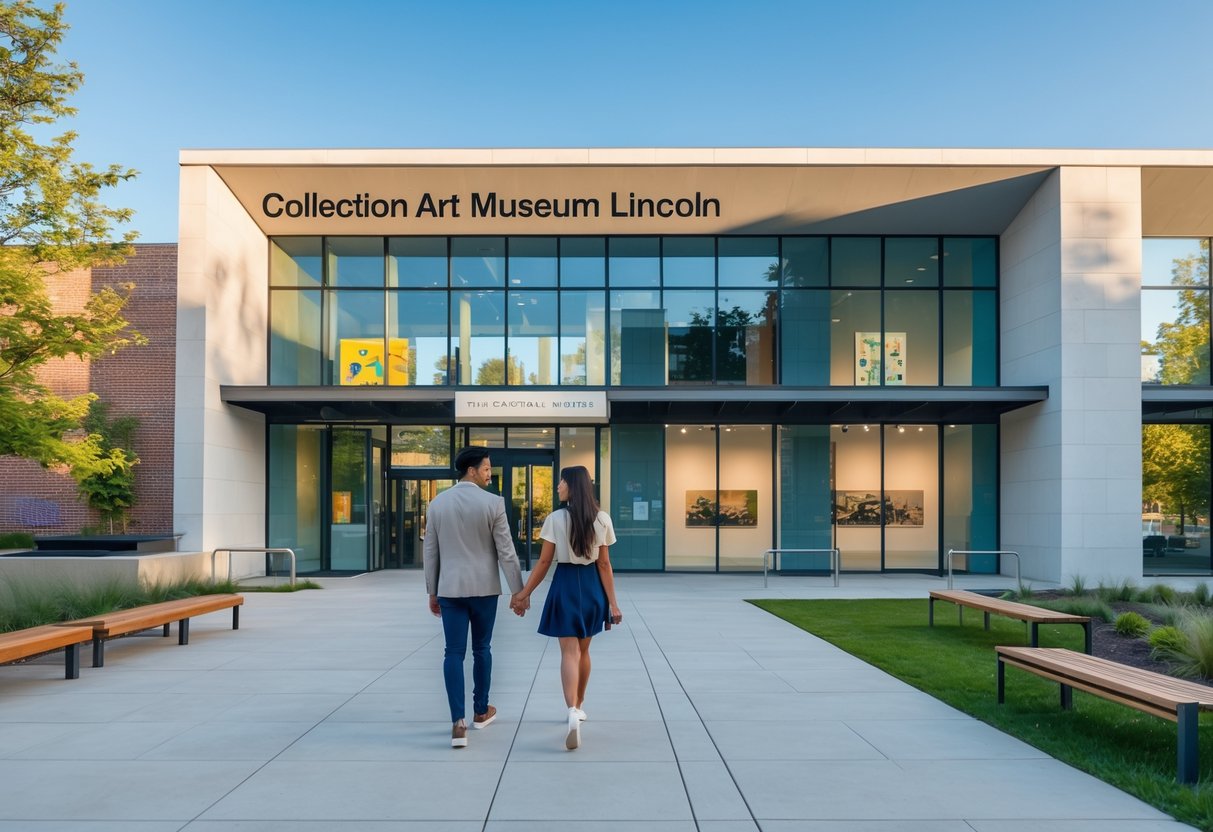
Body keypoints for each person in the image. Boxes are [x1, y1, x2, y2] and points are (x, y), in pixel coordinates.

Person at [511, 465, 621, 750]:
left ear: (571, 486)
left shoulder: (555, 519)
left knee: (568, 653)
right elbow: (604, 564)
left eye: (561, 482)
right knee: (584, 651)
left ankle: (571, 709)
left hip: (565, 585)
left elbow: (545, 562)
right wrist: (613, 603)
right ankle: (580, 706)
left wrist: (523, 594)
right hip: (593, 587)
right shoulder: (602, 518)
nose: (557, 486)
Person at [424, 446, 526, 748]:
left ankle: (458, 722)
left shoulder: (437, 504)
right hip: (484, 590)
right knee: (482, 648)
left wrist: (432, 590)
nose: (489, 474)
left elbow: (430, 551)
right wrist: (518, 592)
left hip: (449, 590)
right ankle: (481, 711)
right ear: (471, 470)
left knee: (453, 652)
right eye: (486, 469)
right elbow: (506, 550)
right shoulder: (493, 503)